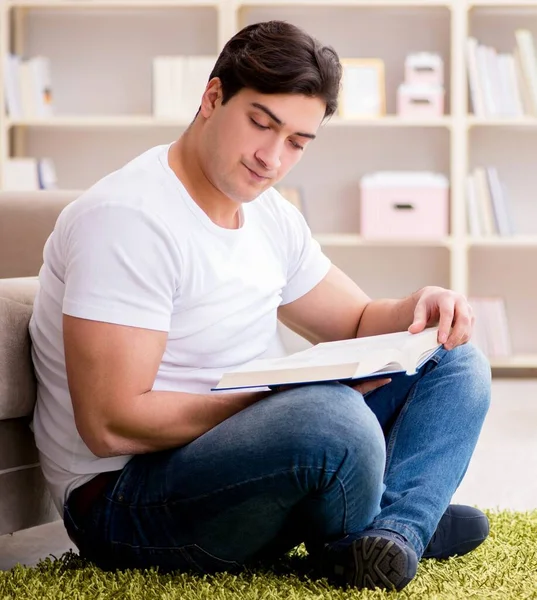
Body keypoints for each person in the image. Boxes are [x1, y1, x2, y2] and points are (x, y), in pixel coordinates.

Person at [29, 20, 491, 592]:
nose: (272, 158)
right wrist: (275, 398)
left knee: (452, 357)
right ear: (212, 97)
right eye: (261, 124)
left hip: (241, 456)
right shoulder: (127, 219)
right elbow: (110, 423)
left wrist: (422, 306)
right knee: (333, 420)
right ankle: (395, 513)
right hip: (126, 499)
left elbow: (355, 323)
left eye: (297, 142)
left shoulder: (269, 214)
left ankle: (390, 533)